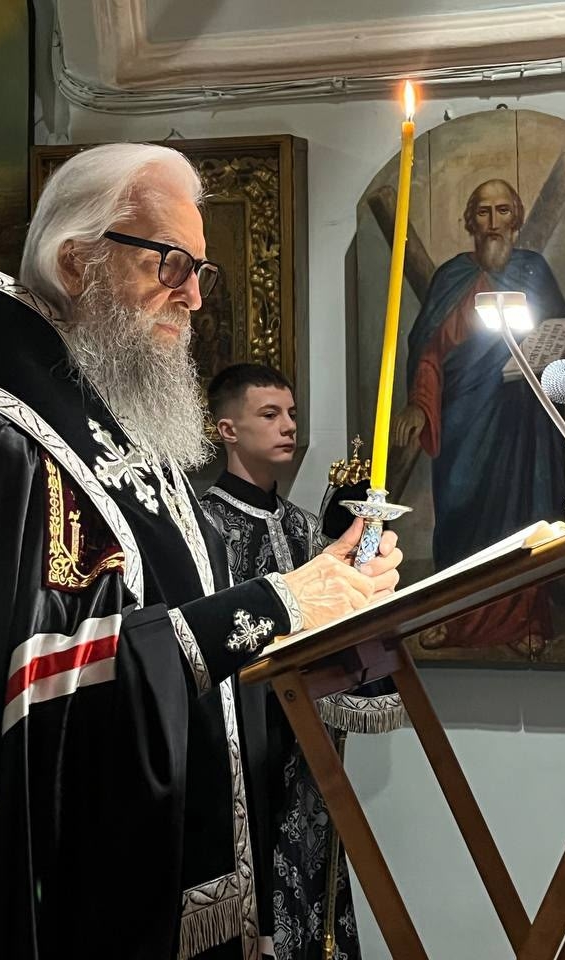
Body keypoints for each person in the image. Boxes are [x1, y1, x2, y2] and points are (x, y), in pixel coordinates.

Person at [0, 143, 402, 959]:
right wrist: (276, 604)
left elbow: (179, 657)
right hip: (68, 893)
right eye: (171, 263)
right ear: (77, 261)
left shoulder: (137, 436)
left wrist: (294, 653)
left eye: (201, 271)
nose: (193, 296)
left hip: (174, 871)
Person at [201, 363, 369, 960]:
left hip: (306, 746)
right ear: (227, 429)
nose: (288, 426)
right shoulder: (204, 527)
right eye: (269, 414)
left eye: (292, 414)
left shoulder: (304, 528)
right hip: (237, 750)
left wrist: (362, 556)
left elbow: (341, 623)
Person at [389, 178, 565, 655]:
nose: (494, 223)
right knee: (459, 510)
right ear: (469, 222)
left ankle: (525, 621)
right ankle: (452, 617)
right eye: (483, 212)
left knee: (524, 516)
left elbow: (559, 337)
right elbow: (429, 351)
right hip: (464, 417)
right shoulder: (451, 277)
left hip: (524, 421)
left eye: (503, 211)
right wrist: (418, 403)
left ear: (515, 219)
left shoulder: (534, 271)